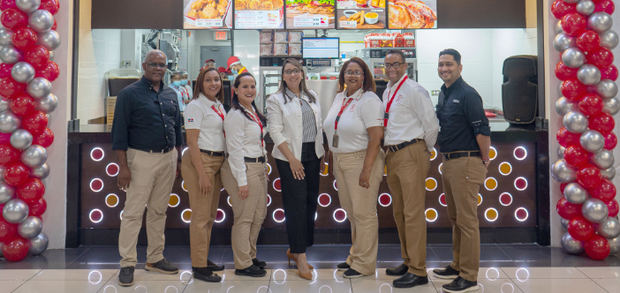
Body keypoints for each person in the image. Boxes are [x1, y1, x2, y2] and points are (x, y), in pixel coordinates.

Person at [112, 49, 182, 287]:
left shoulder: (171, 94)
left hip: (168, 158)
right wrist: (123, 167)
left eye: (162, 65)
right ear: (144, 66)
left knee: (159, 211)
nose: (158, 68)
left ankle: (155, 258)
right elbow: (119, 133)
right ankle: (127, 263)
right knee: (133, 212)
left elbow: (177, 128)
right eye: (153, 64)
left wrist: (178, 159)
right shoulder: (128, 94)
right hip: (140, 159)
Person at [432, 49, 490, 293]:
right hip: (450, 162)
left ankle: (469, 277)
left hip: (466, 161)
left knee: (467, 222)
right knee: (455, 219)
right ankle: (457, 265)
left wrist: (484, 160)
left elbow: (482, 130)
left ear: (460, 67)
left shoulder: (467, 94)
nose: (444, 68)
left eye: (449, 64)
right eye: (441, 64)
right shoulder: (445, 93)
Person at [382, 50, 439, 288]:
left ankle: (419, 270)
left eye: (396, 64)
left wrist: (421, 151)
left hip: (411, 152)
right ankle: (408, 260)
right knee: (400, 212)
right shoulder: (387, 90)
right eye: (388, 65)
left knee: (413, 213)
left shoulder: (415, 90)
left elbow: (431, 125)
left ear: (405, 66)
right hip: (393, 155)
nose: (391, 68)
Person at [323, 57, 385, 279]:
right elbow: (334, 127)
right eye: (349, 72)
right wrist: (332, 158)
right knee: (352, 213)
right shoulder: (340, 97)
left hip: (361, 159)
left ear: (365, 76)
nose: (352, 76)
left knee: (364, 213)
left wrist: (366, 170)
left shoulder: (369, 100)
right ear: (343, 76)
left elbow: (376, 137)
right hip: (341, 160)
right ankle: (355, 256)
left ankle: (364, 264)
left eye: (357, 72)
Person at [266, 59, 324, 280]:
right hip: (290, 157)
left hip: (312, 155)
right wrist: (292, 159)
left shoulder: (312, 97)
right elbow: (275, 131)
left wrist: (322, 152)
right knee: (296, 205)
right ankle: (299, 255)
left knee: (310, 203)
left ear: (302, 74)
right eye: (288, 71)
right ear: (282, 76)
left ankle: (298, 248)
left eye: (296, 71)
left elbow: (318, 128)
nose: (292, 75)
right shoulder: (276, 100)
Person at [180, 67, 227, 283]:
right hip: (201, 162)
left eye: (216, 79)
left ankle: (203, 258)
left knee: (209, 216)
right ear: (200, 83)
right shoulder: (195, 106)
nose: (213, 83)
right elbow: (192, 141)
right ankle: (198, 266)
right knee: (200, 217)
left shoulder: (217, 105)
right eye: (208, 80)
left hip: (217, 162)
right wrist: (202, 174)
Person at [221, 72, 269, 277]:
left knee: (259, 215)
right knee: (245, 217)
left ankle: (249, 254)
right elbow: (235, 151)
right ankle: (242, 264)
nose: (250, 90)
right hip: (243, 168)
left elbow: (258, 140)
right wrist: (242, 182)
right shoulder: (235, 115)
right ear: (235, 90)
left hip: (257, 167)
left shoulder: (252, 111)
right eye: (245, 87)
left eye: (253, 86)